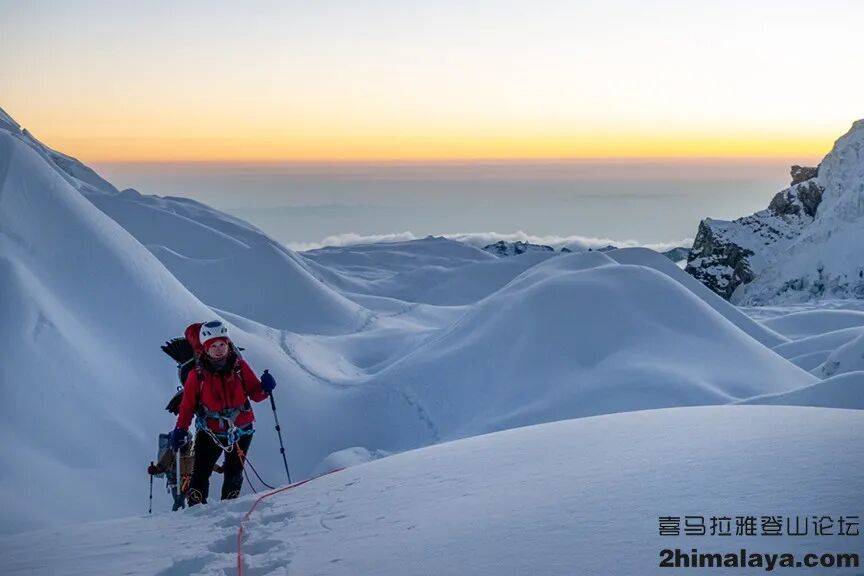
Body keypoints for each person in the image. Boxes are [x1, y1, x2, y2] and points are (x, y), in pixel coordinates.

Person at [167, 320, 276, 505]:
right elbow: (187, 406)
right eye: (214, 345)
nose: (219, 349)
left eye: (222, 344)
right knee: (201, 472)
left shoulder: (240, 367)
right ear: (206, 348)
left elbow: (255, 394)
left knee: (234, 472)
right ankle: (196, 514)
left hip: (241, 430)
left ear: (228, 344)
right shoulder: (197, 374)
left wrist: (265, 388)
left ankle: (228, 509)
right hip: (211, 431)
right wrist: (181, 429)